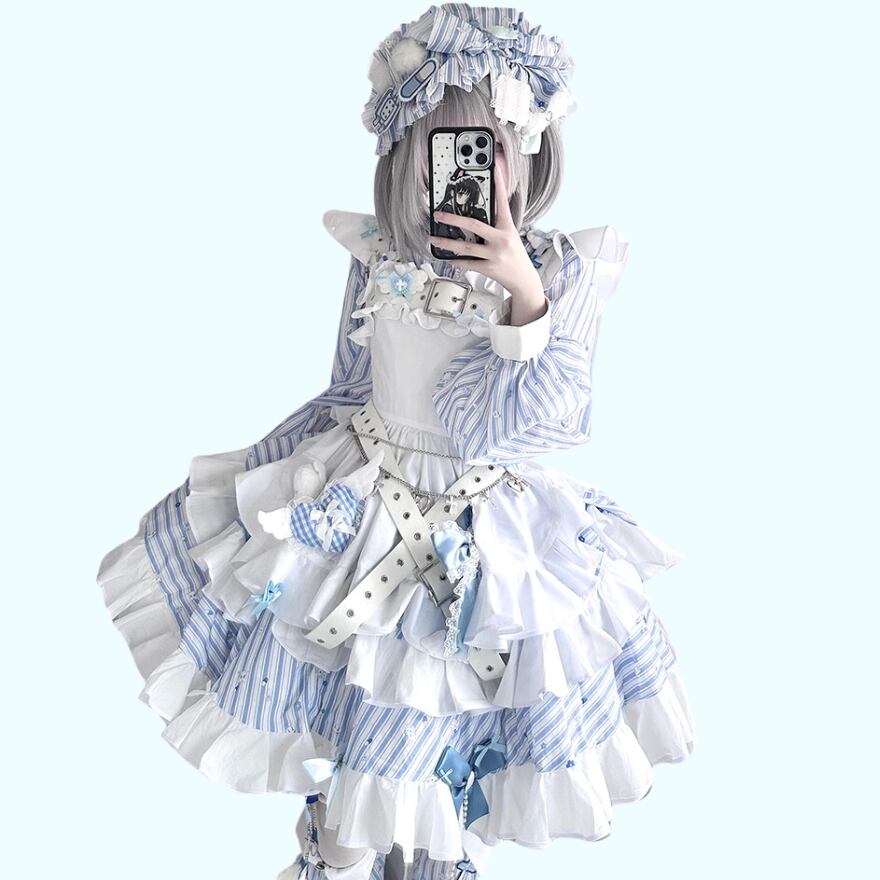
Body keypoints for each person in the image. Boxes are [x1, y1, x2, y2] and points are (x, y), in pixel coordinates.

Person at [96, 5, 696, 879]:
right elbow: (346, 389)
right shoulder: (379, 259)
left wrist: (522, 295)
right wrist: (271, 484)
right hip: (359, 516)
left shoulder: (561, 272)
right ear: (405, 150)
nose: (469, 167)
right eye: (444, 145)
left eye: (491, 145)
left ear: (529, 147)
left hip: (486, 548)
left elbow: (537, 423)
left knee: (427, 785)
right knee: (351, 804)